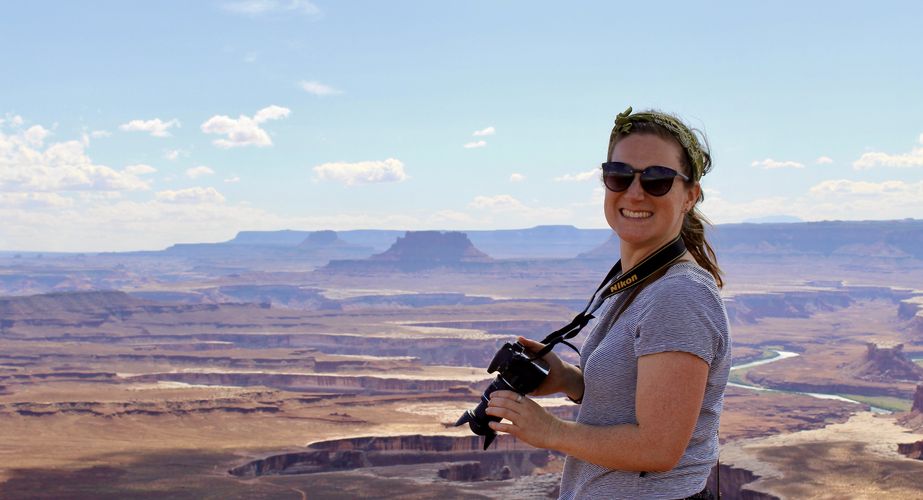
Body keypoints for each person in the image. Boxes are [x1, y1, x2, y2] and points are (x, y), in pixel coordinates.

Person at [486, 107, 731, 500]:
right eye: (620, 175)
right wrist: (570, 380)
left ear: (689, 196)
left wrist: (549, 431)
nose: (634, 193)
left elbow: (658, 448)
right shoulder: (640, 283)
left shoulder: (678, 294)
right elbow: (638, 403)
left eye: (657, 180)